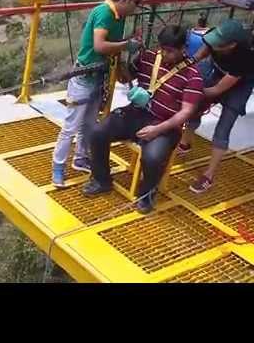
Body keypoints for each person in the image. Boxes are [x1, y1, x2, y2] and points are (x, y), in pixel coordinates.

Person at [82, 25, 204, 214]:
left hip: (165, 124)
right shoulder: (149, 57)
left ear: (183, 49)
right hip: (136, 113)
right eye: (162, 48)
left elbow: (186, 112)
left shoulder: (192, 75)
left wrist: (158, 130)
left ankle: (146, 194)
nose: (164, 54)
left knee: (153, 158)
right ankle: (101, 180)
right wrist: (121, 65)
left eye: (170, 51)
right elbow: (127, 76)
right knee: (97, 133)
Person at [51, 0, 144, 188]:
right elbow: (100, 46)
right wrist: (127, 45)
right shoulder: (104, 13)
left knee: (89, 124)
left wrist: (124, 61)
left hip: (98, 76)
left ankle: (81, 158)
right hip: (84, 77)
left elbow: (112, 48)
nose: (137, 8)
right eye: (137, 3)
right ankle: (57, 167)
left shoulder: (118, 17)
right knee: (71, 125)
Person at [178, 19, 254, 193]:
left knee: (223, 127)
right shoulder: (213, 40)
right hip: (218, 71)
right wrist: (180, 68)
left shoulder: (246, 58)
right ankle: (185, 142)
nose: (214, 46)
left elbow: (215, 91)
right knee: (194, 109)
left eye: (218, 45)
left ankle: (209, 175)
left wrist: (192, 90)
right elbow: (197, 56)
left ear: (232, 45)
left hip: (239, 85)